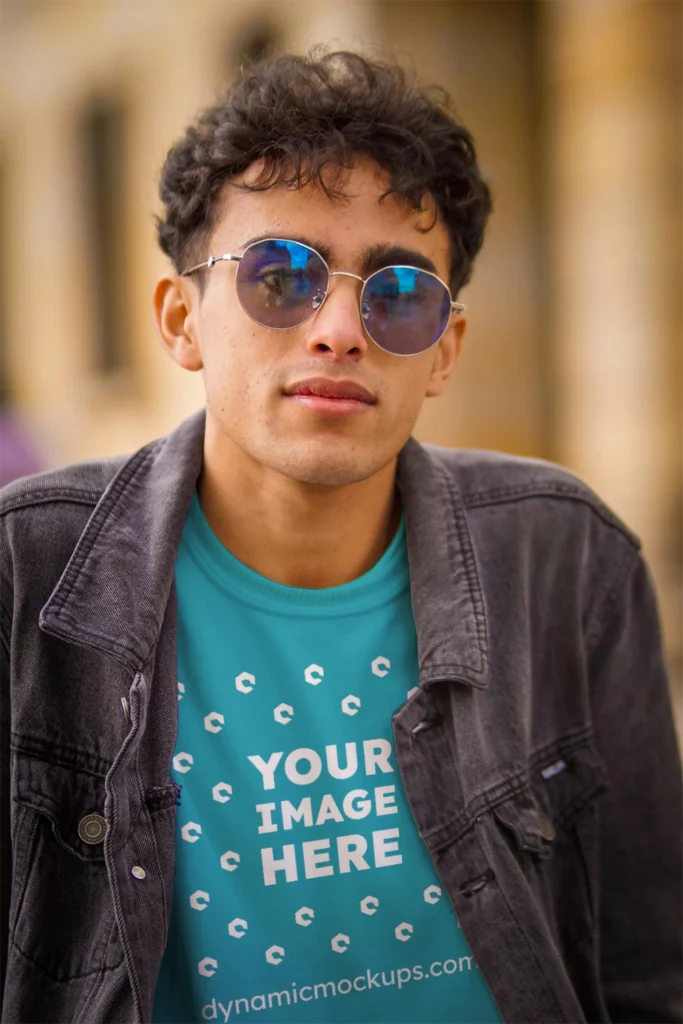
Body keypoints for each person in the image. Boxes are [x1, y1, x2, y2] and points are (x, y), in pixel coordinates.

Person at [1, 50, 681, 1024]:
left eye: (398, 293)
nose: (337, 328)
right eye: (280, 277)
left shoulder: (563, 557)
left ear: (442, 349)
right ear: (180, 318)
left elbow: (646, 972)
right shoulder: (26, 574)